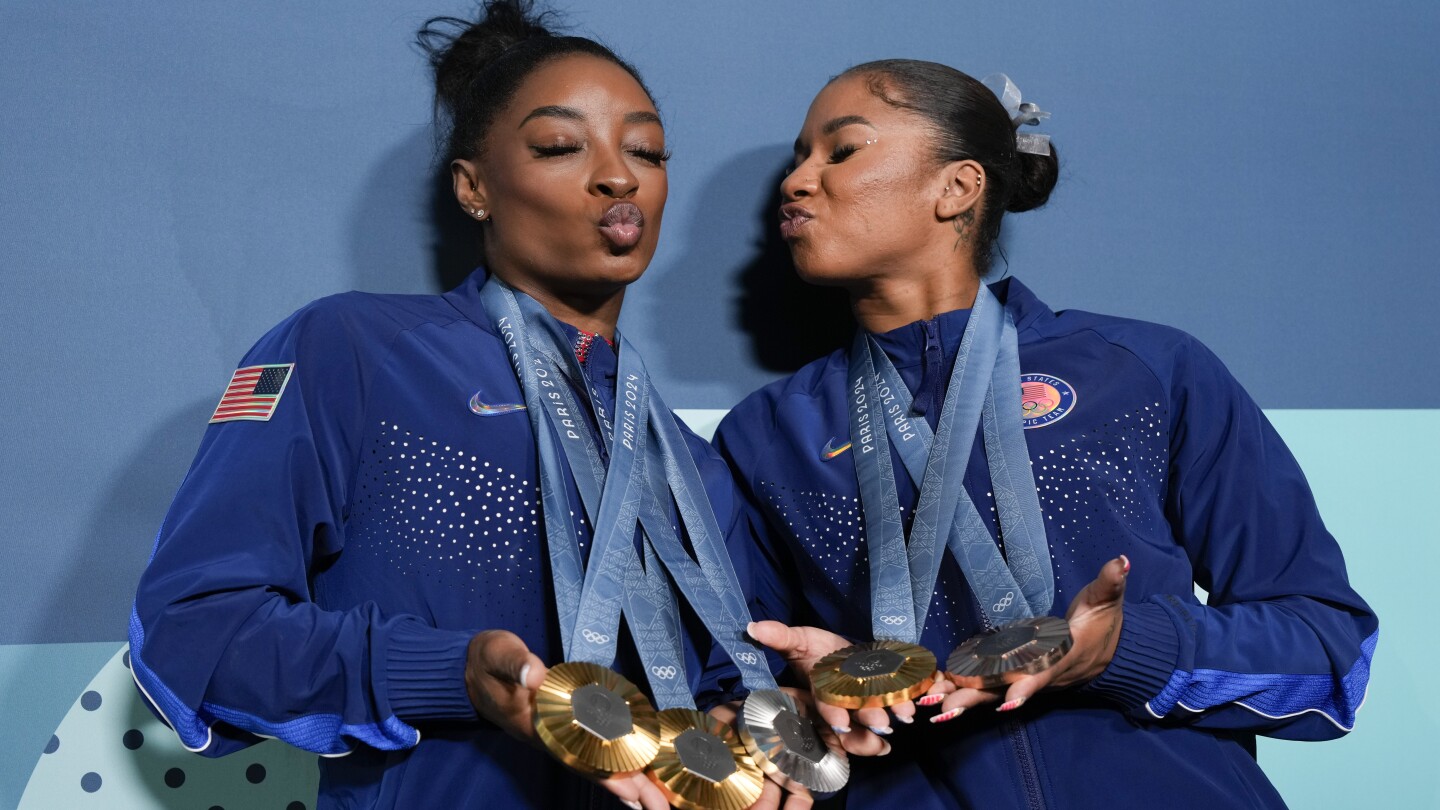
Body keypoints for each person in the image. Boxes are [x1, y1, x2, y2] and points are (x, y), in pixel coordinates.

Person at [128, 4, 795, 808]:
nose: (619, 175)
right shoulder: (355, 350)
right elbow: (191, 632)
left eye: (646, 150)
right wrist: (455, 675)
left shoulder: (692, 464)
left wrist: (771, 733)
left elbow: (726, 690)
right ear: (473, 186)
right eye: (559, 146)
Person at [715, 60, 1377, 809]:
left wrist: (1119, 651)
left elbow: (1329, 658)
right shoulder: (766, 435)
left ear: (956, 187)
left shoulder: (1142, 370)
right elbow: (747, 694)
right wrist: (802, 698)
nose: (797, 181)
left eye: (841, 151)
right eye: (798, 158)